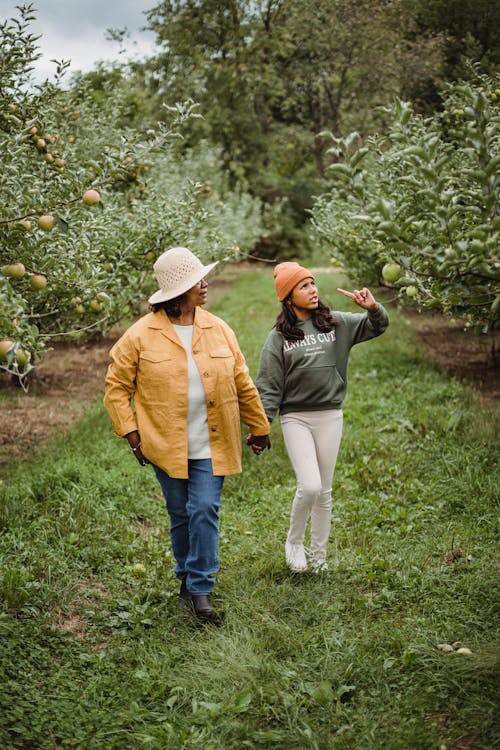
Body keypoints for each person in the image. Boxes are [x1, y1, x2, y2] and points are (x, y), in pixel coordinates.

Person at [103, 246, 270, 621]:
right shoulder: (140, 336)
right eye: (198, 281)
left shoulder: (218, 328)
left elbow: (242, 382)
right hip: (165, 441)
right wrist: (131, 433)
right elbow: (116, 387)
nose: (206, 285)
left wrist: (258, 425)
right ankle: (187, 577)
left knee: (204, 510)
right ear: (179, 290)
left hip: (214, 440)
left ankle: (200, 589)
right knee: (180, 514)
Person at [256, 261, 389, 573]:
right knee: (311, 485)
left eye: (313, 283)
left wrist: (373, 308)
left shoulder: (336, 324)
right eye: (304, 286)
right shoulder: (279, 338)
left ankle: (318, 558)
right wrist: (262, 426)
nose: (313, 290)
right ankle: (293, 542)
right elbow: (268, 386)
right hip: (296, 418)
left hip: (330, 415)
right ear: (288, 297)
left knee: (324, 491)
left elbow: (377, 326)